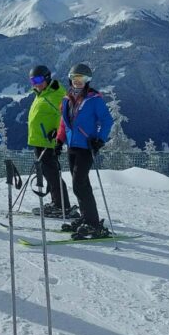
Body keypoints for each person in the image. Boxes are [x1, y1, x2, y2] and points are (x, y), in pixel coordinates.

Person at [56, 62, 114, 239]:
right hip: (72, 146)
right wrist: (59, 140)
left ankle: (93, 223)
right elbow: (64, 123)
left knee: (79, 183)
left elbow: (107, 120)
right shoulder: (66, 99)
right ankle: (86, 217)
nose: (78, 82)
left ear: (88, 80)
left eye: (82, 79)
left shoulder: (94, 100)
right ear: (70, 80)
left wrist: (100, 139)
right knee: (79, 184)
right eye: (75, 78)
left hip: (86, 146)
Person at [26, 64, 76, 219]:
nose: (36, 83)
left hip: (49, 140)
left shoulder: (57, 94)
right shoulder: (41, 93)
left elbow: (66, 115)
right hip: (40, 140)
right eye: (33, 81)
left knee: (52, 173)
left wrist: (56, 131)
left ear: (47, 78)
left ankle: (61, 206)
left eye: (39, 79)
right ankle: (58, 203)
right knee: (49, 173)